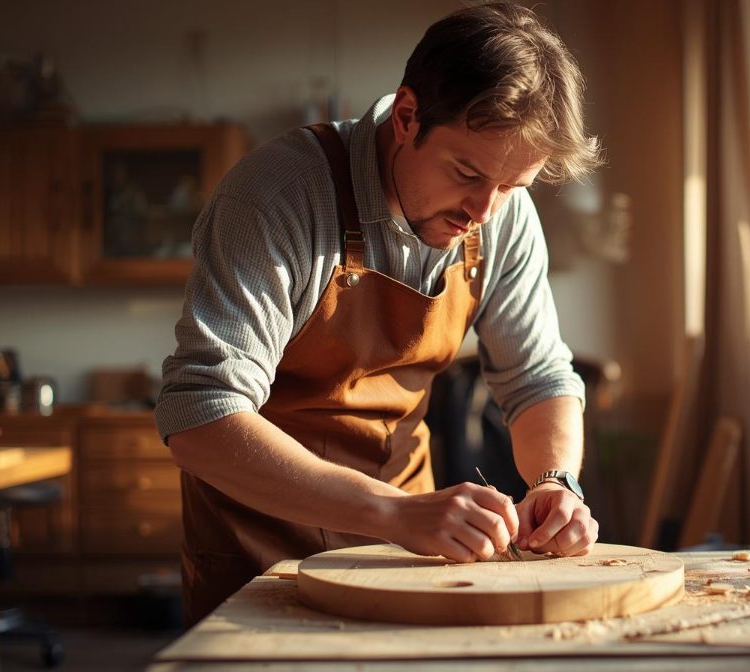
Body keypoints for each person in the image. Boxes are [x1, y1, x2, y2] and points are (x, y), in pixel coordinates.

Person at [155, 2, 603, 625]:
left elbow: (539, 379)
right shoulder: (278, 196)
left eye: (514, 186)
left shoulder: (500, 215)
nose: (486, 210)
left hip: (408, 552)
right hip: (259, 554)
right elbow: (199, 415)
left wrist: (556, 482)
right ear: (407, 115)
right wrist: (389, 512)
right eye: (466, 173)